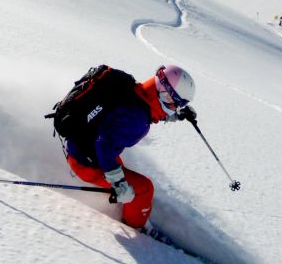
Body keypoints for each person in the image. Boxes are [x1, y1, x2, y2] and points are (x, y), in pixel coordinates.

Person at [63, 64, 196, 232]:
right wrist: (118, 183)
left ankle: (121, 196)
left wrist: (177, 115)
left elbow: (145, 109)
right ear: (165, 95)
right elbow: (103, 144)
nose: (174, 108)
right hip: (86, 161)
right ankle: (135, 228)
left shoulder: (137, 92)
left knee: (123, 173)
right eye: (175, 104)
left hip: (85, 145)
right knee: (144, 189)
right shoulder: (137, 119)